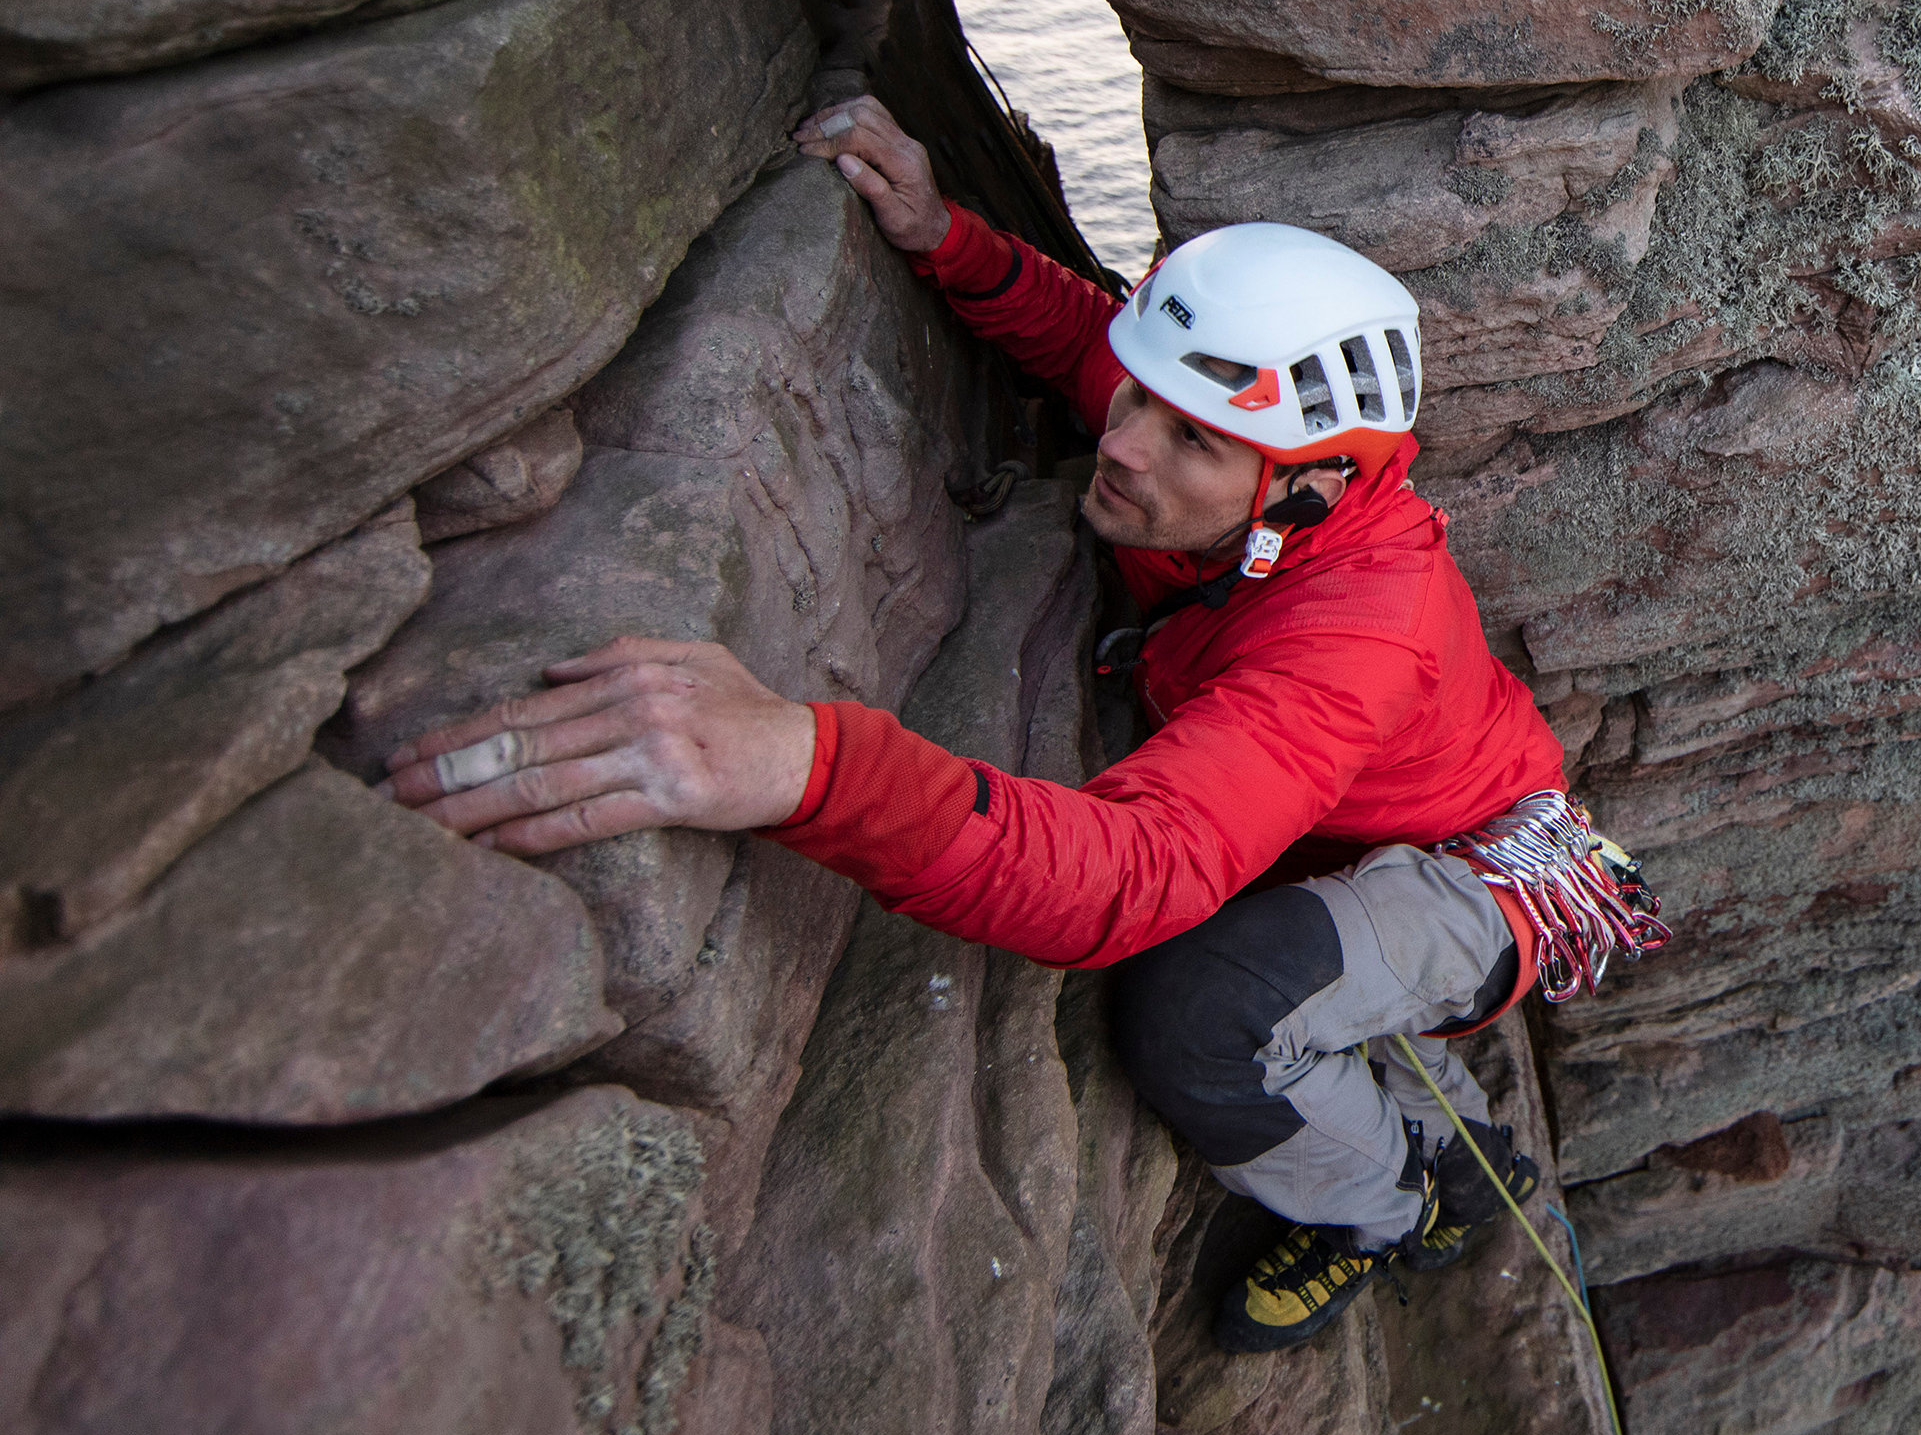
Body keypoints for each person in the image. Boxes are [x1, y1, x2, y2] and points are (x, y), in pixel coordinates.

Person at [387, 98, 1666, 1351]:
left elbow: (1137, 876)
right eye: (1139, 406)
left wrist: (808, 765)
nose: (1127, 448)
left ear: (1314, 489)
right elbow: (1086, 342)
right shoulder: (1222, 429)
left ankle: (1388, 1209)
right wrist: (943, 234)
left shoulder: (1357, 630)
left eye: (1190, 441)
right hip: (1352, 822)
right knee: (1270, 953)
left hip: (1487, 871)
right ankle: (1433, 1134)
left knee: (1202, 1009)